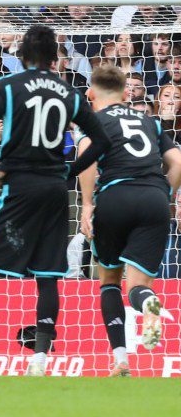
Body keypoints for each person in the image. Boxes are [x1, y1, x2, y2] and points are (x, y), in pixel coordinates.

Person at [0, 25, 111, 376]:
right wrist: (70, 173)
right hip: (54, 189)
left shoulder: (7, 85)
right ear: (54, 56)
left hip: (19, 185)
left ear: (23, 55)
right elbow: (101, 140)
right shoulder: (69, 91)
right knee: (47, 275)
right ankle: (39, 360)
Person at [76, 64, 181, 377]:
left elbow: (85, 153)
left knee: (109, 280)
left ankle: (120, 360)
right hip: (153, 199)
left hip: (115, 198)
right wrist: (167, 195)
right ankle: (147, 302)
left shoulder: (94, 120)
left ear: (91, 94)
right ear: (125, 94)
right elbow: (177, 161)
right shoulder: (148, 120)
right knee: (138, 285)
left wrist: (86, 205)